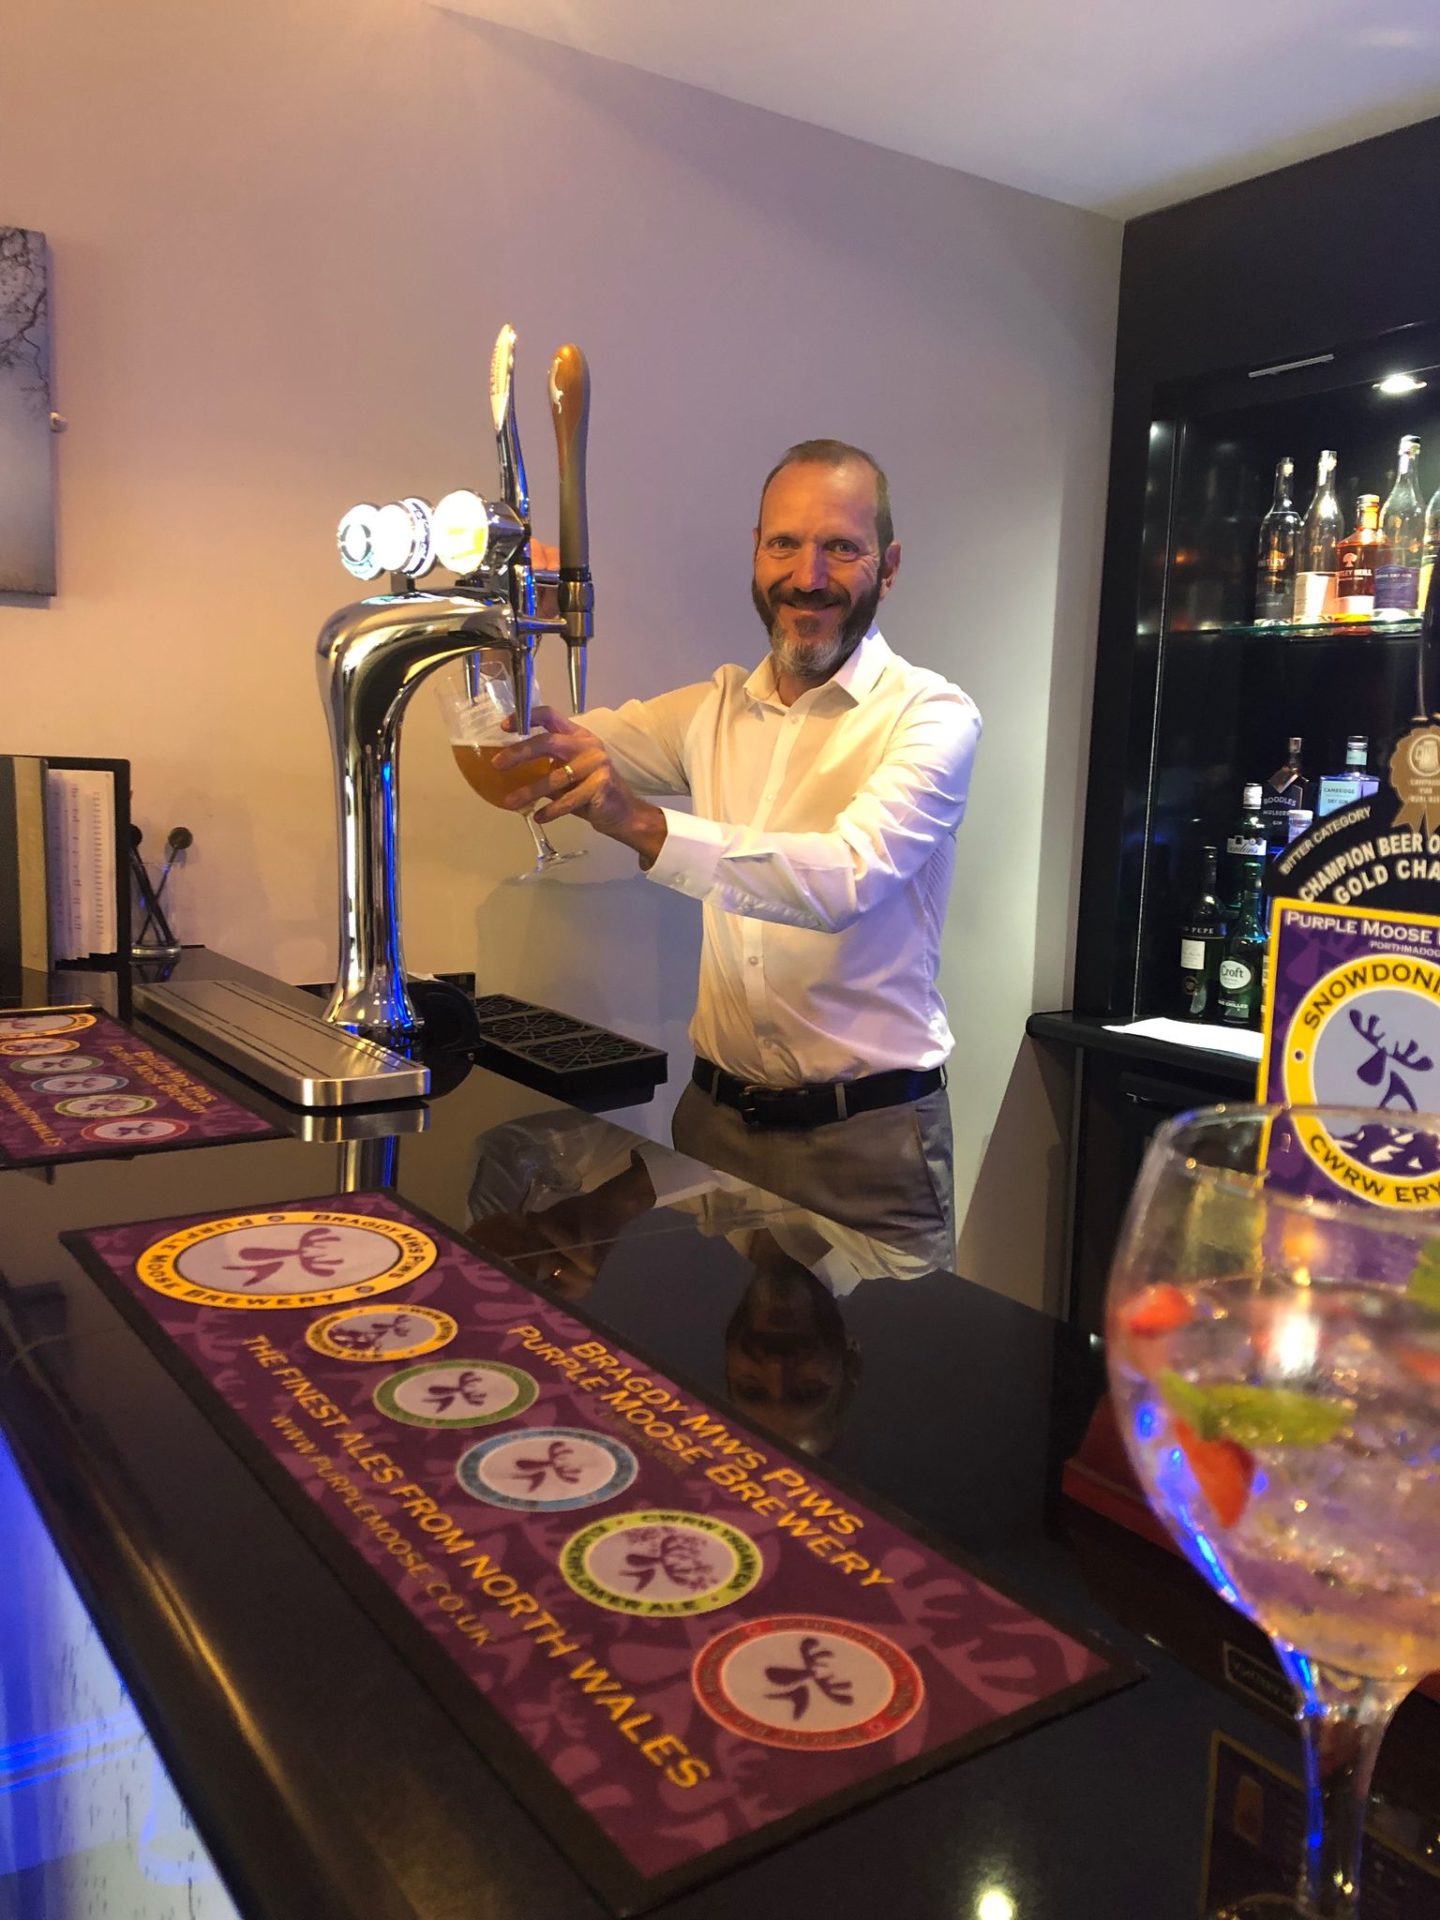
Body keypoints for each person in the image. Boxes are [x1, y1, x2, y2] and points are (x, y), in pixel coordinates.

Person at [494, 440, 981, 1250]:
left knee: (892, 1340)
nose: (808, 576)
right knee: (703, 1338)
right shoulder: (709, 710)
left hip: (872, 1147)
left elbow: (845, 879)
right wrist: (499, 639)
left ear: (888, 567)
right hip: (713, 1128)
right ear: (756, 552)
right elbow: (529, 757)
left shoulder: (931, 717)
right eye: (784, 543)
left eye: (842, 548)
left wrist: (637, 821)